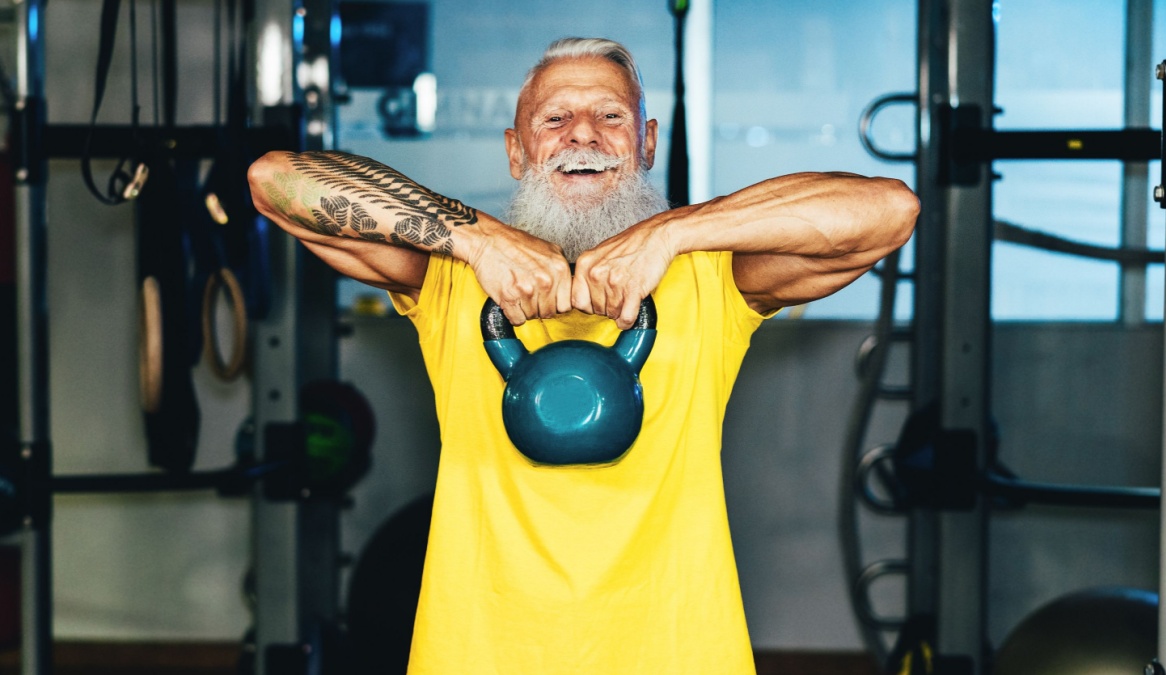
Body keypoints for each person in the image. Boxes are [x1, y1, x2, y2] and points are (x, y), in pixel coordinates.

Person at [249, 37, 918, 675]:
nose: (583, 136)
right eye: (555, 119)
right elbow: (274, 180)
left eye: (611, 116)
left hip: (676, 653)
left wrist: (672, 232)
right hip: (482, 655)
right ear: (516, 152)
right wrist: (477, 238)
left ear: (647, 142)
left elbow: (889, 210)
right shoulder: (451, 275)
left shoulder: (712, 277)